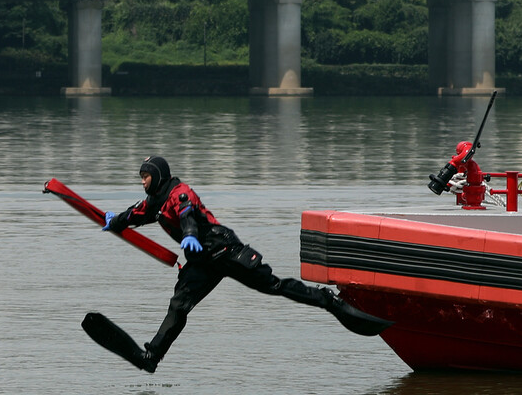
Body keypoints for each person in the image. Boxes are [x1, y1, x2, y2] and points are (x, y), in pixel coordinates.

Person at [102, 156, 387, 373]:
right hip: (201, 262)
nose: (143, 181)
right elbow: (136, 214)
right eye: (141, 177)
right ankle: (152, 356)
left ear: (158, 175)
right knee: (178, 306)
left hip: (225, 250)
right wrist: (113, 221)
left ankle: (329, 302)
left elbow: (187, 213)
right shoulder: (156, 200)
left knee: (273, 286)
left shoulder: (179, 192)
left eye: (146, 176)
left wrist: (189, 235)